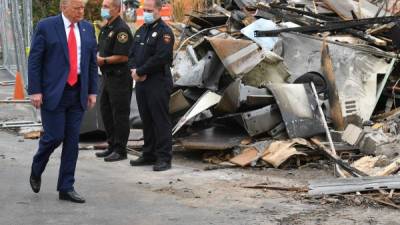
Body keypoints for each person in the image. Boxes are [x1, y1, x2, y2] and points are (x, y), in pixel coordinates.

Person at [28, 0, 98, 203]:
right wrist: (35, 90)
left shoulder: (86, 28)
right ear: (63, 7)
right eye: (77, 8)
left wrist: (92, 91)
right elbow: (35, 60)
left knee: (72, 141)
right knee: (54, 136)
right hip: (53, 92)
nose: (81, 11)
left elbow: (91, 63)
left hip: (77, 93)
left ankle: (66, 187)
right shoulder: (46, 26)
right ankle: (37, 165)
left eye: (82, 7)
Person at [128, 0, 174, 171]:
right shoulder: (141, 30)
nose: (146, 12)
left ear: (158, 10)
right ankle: (149, 154)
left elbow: (161, 57)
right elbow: (131, 53)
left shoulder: (165, 32)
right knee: (146, 119)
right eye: (144, 9)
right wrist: (134, 70)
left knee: (160, 120)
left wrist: (140, 71)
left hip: (158, 82)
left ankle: (164, 158)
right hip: (141, 82)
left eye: (149, 10)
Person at [95, 0, 133, 162]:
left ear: (117, 9)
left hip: (119, 78)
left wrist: (104, 60)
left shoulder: (121, 29)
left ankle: (120, 149)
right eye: (102, 6)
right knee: (106, 111)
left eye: (106, 7)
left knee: (120, 115)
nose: (103, 9)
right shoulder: (106, 28)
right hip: (106, 77)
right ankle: (111, 145)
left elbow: (123, 56)